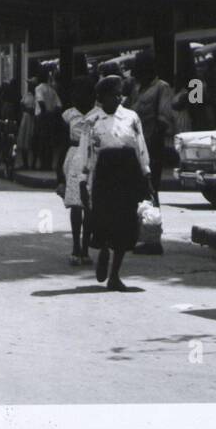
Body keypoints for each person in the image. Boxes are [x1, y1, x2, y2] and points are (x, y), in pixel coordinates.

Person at [79, 75, 154, 292]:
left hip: (127, 173)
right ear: (101, 97)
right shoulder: (91, 121)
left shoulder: (132, 118)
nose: (118, 97)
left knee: (125, 224)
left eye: (120, 93)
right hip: (103, 175)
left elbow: (140, 146)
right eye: (113, 93)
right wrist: (83, 181)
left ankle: (115, 275)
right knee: (103, 221)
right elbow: (85, 152)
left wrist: (146, 174)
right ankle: (103, 250)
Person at [59, 78, 97, 266]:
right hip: (73, 157)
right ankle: (75, 245)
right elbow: (61, 143)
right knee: (76, 204)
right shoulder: (68, 115)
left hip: (92, 157)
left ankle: (85, 247)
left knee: (89, 205)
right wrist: (59, 176)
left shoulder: (98, 114)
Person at [130, 53, 175, 195]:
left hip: (152, 146)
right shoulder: (136, 89)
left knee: (150, 188)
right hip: (135, 143)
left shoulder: (162, 87)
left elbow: (164, 119)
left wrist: (151, 142)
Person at [17, 79, 37, 169]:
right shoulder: (27, 95)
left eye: (31, 84)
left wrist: (30, 111)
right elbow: (22, 105)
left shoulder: (37, 96)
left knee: (33, 141)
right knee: (23, 141)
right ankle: (25, 163)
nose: (29, 86)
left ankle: (33, 163)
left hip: (33, 120)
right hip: (25, 119)